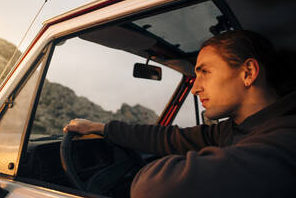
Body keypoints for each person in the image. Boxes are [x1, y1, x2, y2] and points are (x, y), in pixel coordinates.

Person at [63, 30, 296, 197]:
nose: (195, 88)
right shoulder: (236, 127)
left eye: (204, 72)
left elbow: (154, 187)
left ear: (248, 72)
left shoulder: (286, 137)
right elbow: (170, 138)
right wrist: (101, 128)